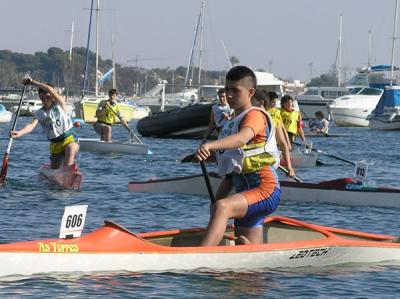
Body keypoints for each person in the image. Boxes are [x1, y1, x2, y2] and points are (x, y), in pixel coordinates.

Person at [196, 66, 281, 246]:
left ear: (250, 92)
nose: (229, 95)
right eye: (227, 89)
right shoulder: (230, 123)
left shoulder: (255, 115)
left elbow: (242, 139)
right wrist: (216, 203)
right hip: (246, 192)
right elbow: (232, 173)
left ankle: (200, 259)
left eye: (235, 90)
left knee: (223, 207)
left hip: (265, 190)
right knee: (249, 259)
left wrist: (209, 145)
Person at [11, 77, 79, 169]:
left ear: (52, 96)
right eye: (42, 99)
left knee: (70, 148)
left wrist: (32, 83)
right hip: (56, 146)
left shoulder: (60, 103)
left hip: (70, 140)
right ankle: (62, 171)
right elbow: (31, 126)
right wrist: (19, 133)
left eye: (48, 97)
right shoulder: (40, 113)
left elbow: (50, 90)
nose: (45, 100)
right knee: (55, 167)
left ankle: (68, 171)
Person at [252, 90, 296, 177]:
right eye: (273, 102)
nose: (274, 104)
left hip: (267, 161)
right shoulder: (251, 115)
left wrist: (289, 167)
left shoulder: (275, 115)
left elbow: (282, 139)